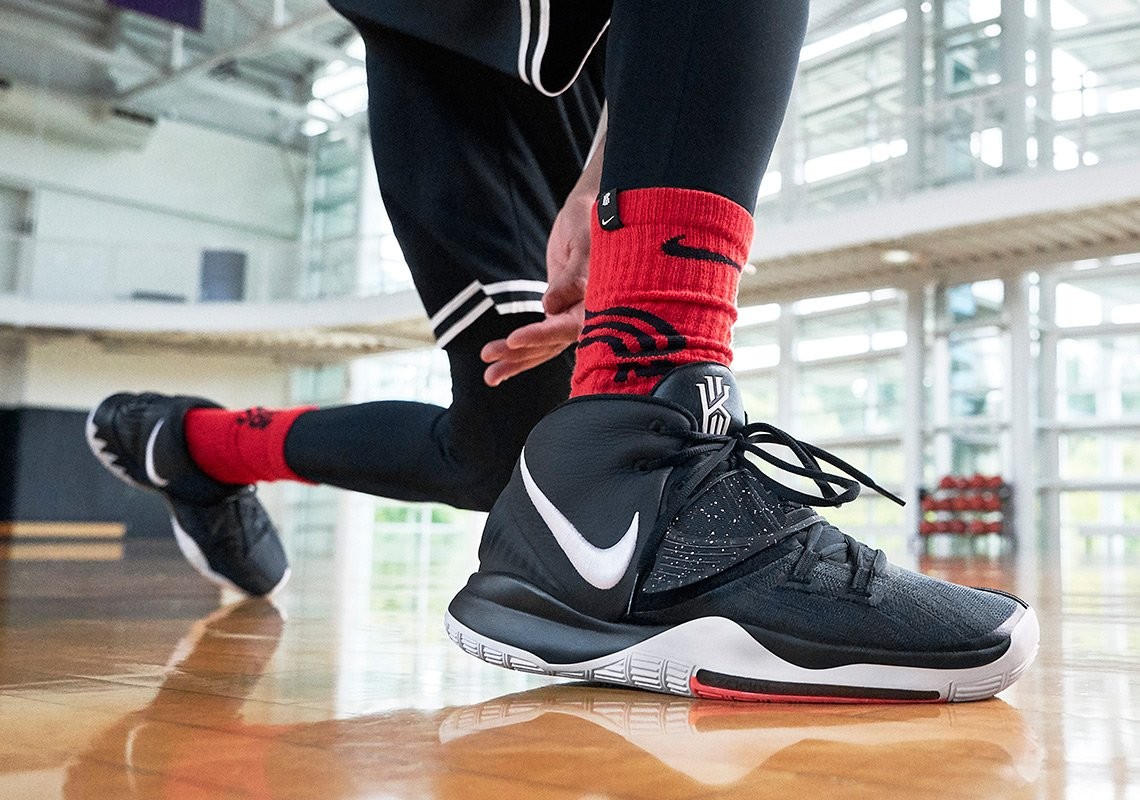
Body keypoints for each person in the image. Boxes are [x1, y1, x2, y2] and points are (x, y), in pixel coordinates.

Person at [88, 0, 1039, 701]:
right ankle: (649, 490)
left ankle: (196, 445)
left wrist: (607, 188)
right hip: (467, 71)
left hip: (585, 80)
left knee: (508, 458)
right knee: (541, 466)